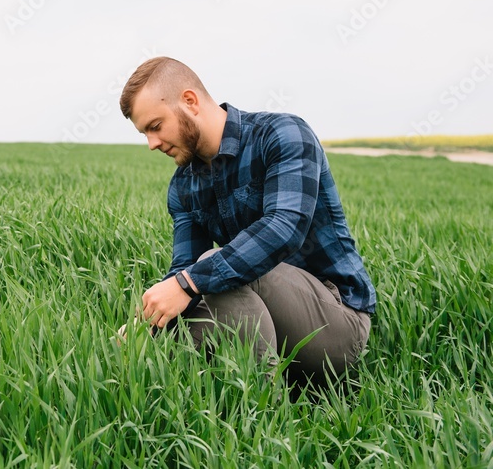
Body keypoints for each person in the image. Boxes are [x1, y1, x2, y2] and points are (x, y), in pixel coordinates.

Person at [117, 56, 376, 387]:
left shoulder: (282, 134)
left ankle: (264, 412)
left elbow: (284, 229)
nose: (152, 144)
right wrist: (147, 324)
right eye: (144, 134)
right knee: (171, 339)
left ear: (190, 102)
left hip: (336, 324)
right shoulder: (183, 185)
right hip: (263, 321)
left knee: (209, 267)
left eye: (155, 127)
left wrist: (186, 283)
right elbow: (183, 268)